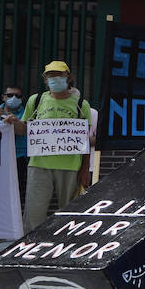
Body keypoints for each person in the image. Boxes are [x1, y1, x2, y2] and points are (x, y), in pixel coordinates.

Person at [22, 61, 91, 230]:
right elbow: (23, 129)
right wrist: (13, 122)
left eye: (59, 75)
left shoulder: (81, 104)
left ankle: (70, 244)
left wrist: (85, 169)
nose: (55, 79)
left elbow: (84, 140)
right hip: (39, 165)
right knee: (34, 212)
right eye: (50, 75)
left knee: (71, 212)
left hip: (71, 166)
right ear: (44, 78)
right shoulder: (36, 100)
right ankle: (30, 246)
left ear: (69, 77)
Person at [0, 82, 28, 200]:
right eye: (10, 95)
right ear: (3, 97)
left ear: (22, 98)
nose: (13, 98)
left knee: (16, 193)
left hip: (18, 157)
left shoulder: (26, 113)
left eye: (17, 96)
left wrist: (3, 115)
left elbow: (20, 131)